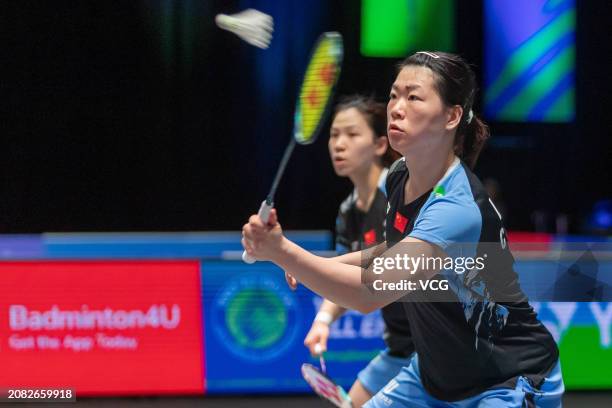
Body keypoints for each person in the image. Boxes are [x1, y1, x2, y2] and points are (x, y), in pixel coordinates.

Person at [243, 51, 563, 407]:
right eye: (394, 95)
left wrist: (284, 253)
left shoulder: (457, 209)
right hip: (432, 376)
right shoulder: (398, 176)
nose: (396, 107)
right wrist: (304, 260)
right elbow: (391, 252)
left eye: (413, 97)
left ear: (452, 116)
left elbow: (371, 293)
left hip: (506, 379)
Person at [297, 95, 414, 407]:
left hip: (439, 346)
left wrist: (293, 258)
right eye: (334, 135)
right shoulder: (348, 212)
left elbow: (397, 254)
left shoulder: (400, 189)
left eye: (351, 134)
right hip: (400, 347)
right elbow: (343, 279)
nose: (339, 144)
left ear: (379, 145)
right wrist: (322, 321)